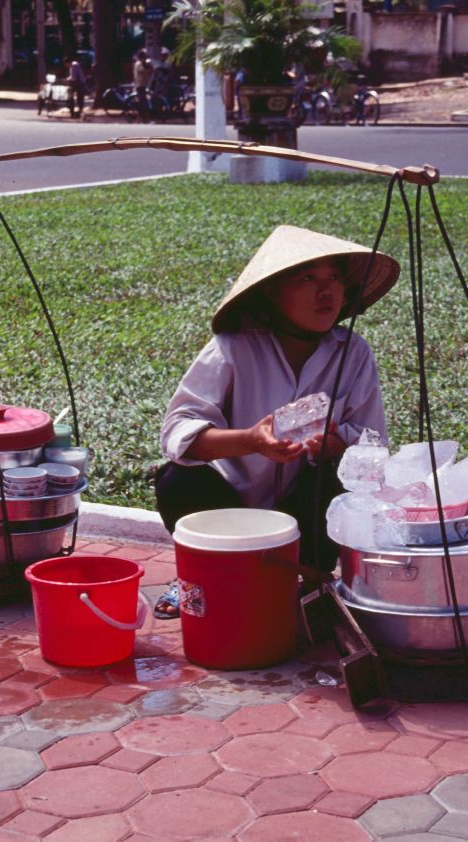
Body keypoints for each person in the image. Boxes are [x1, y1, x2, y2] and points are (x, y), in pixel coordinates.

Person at [153, 225, 400, 618]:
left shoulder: (352, 351)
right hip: (229, 501)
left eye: (334, 278)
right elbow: (178, 430)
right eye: (307, 279)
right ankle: (199, 572)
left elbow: (373, 444)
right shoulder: (233, 347)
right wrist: (251, 441)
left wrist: (333, 444)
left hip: (303, 507)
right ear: (271, 290)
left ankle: (309, 578)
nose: (326, 292)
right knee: (176, 480)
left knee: (342, 485)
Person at [132, 49, 153, 121]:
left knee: (143, 101)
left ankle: (142, 117)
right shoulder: (138, 64)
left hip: (144, 85)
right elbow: (144, 71)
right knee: (142, 101)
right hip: (139, 85)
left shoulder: (144, 64)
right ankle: (142, 117)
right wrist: (149, 67)